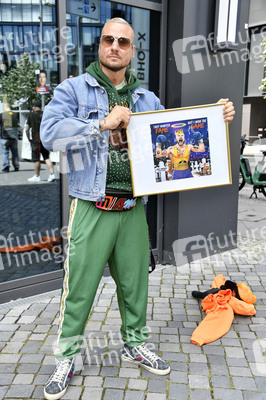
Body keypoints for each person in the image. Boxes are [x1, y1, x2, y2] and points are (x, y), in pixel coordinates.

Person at [40, 17, 235, 400]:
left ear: (132, 51)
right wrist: (100, 123)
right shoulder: (73, 90)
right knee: (78, 289)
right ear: (100, 45)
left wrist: (214, 119)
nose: (115, 46)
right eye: (108, 39)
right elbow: (50, 134)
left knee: (135, 287)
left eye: (123, 42)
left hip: (132, 209)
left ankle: (135, 344)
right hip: (92, 205)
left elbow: (174, 136)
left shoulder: (147, 100)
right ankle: (66, 356)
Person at [26, 100, 55, 182]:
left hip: (36, 139)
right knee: (46, 157)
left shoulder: (31, 115)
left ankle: (37, 176)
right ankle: (52, 174)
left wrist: (29, 138)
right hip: (44, 139)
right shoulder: (45, 114)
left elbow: (27, 129)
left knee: (36, 158)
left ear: (34, 107)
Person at [0, 103, 20, 173]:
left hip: (4, 137)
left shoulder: (1, 115)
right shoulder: (15, 115)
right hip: (14, 137)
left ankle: (6, 167)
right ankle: (16, 166)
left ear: (5, 107)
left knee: (5, 152)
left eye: (3, 107)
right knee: (15, 152)